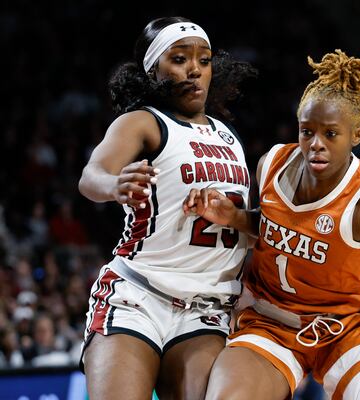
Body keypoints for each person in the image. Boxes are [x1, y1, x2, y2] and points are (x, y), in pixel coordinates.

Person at [184, 49, 360, 400]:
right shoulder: (271, 163)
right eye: (308, 132)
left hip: (342, 329)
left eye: (331, 134)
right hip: (267, 322)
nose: (316, 145)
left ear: (357, 135)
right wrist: (235, 217)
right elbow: (276, 229)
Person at [78, 16, 256, 399]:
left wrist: (234, 216)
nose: (194, 69)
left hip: (206, 306)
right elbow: (91, 176)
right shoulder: (144, 122)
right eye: (179, 59)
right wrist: (114, 185)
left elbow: (253, 225)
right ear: (153, 70)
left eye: (204, 60)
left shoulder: (231, 138)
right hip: (137, 294)